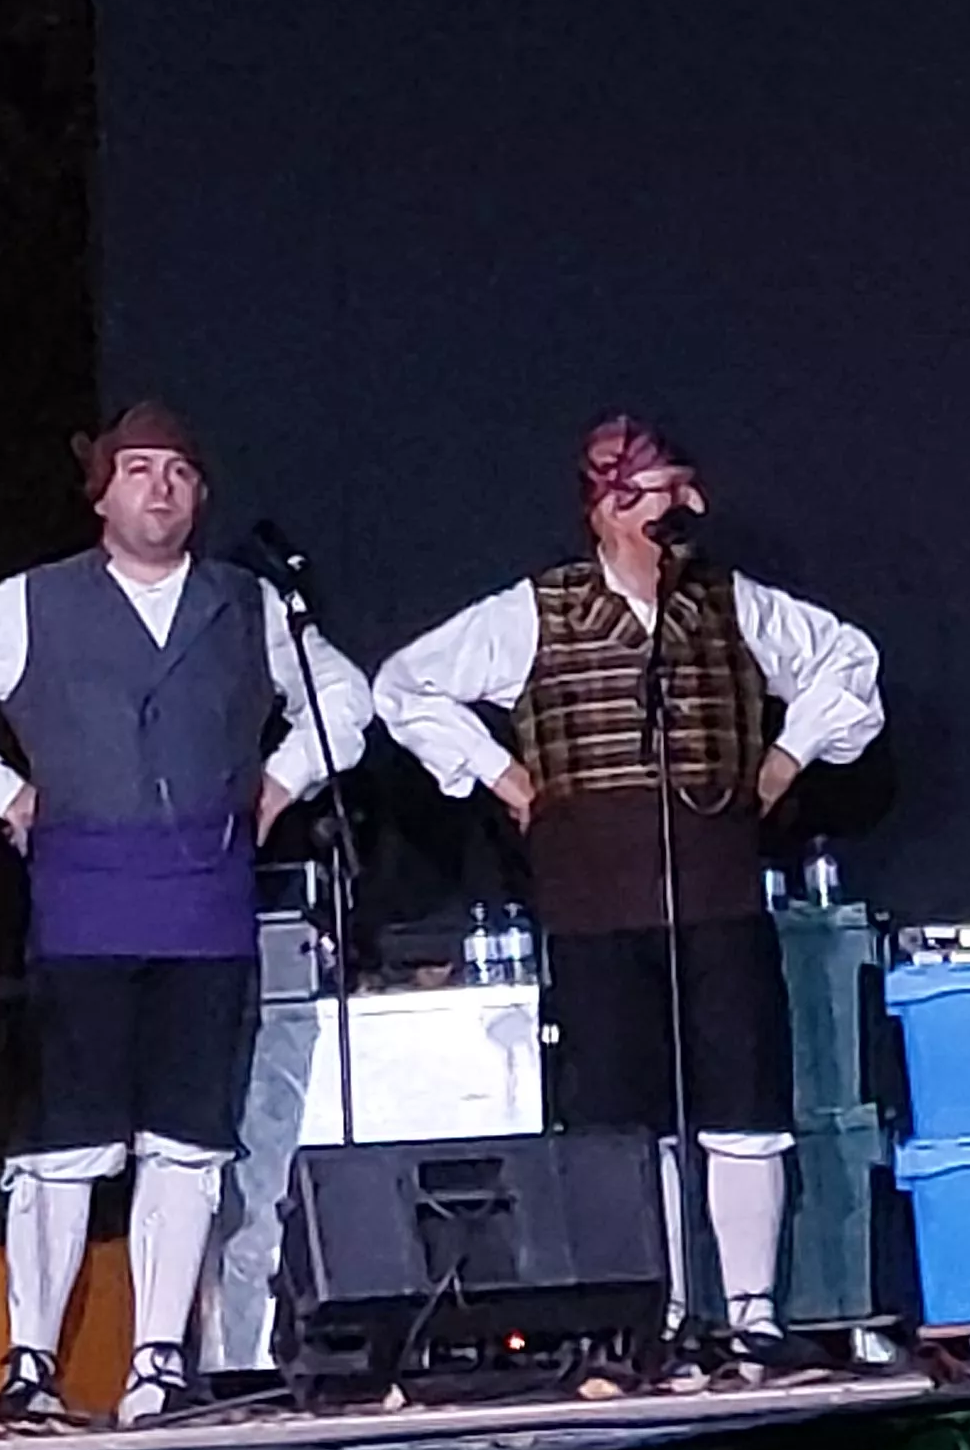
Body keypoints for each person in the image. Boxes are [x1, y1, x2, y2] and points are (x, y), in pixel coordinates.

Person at [0, 402, 374, 1425]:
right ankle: (31, 1360)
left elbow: (345, 695)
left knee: (186, 1139)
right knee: (64, 1139)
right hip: (84, 899)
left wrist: (281, 784)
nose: (159, 488)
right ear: (101, 491)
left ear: (202, 494)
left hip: (206, 900)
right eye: (139, 469)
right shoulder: (35, 603)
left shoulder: (248, 606)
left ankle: (159, 1357)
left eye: (180, 473)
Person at [373, 415, 887, 1361]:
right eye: (651, 492)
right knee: (620, 1112)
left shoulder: (737, 605)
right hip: (592, 893)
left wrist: (781, 761)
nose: (674, 508)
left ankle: (750, 1309)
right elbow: (406, 686)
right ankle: (655, 1310)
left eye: (680, 489)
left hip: (718, 881)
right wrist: (505, 780)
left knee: (742, 1099)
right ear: (605, 508)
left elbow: (851, 664)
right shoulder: (536, 611)